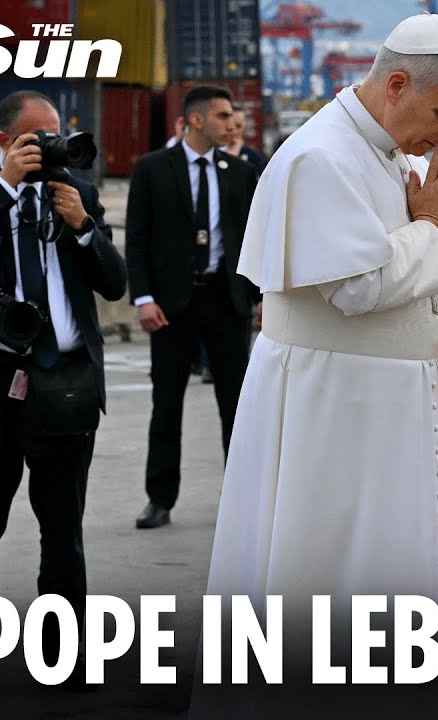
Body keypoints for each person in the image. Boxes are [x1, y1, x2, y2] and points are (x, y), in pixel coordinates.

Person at [196, 12, 438, 681]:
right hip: (333, 407)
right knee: (322, 576)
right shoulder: (319, 156)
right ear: (398, 84)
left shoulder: (390, 151)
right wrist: (435, 230)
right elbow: (358, 286)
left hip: (381, 405)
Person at [0, 90, 127, 697]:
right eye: (34, 137)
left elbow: (115, 284)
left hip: (64, 388)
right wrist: (6, 187)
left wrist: (83, 226)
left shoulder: (78, 195)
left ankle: (65, 660)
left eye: (55, 134)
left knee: (63, 531)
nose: (49, 146)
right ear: (4, 143)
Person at [125, 85, 259, 530]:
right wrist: (143, 298)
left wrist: (258, 298)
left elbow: (253, 239)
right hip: (171, 306)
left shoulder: (238, 172)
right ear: (196, 120)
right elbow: (137, 238)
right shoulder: (151, 169)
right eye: (223, 116)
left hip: (226, 302)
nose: (231, 124)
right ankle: (159, 498)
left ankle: (242, 499)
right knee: (166, 406)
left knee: (235, 405)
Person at [224, 106, 267, 177]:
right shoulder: (211, 154)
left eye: (238, 126)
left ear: (244, 127)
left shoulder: (254, 157)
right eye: (230, 126)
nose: (234, 130)